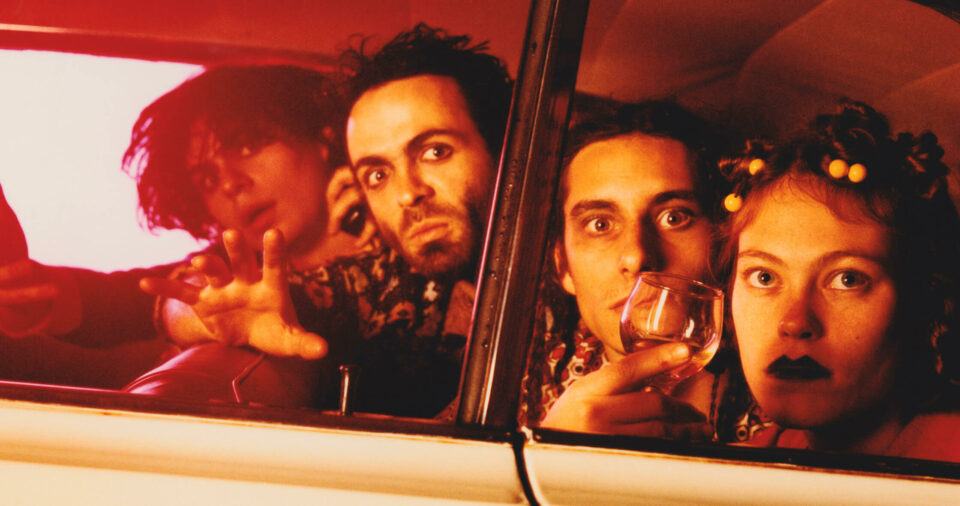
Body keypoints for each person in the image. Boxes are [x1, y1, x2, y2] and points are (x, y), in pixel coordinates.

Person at [146, 24, 514, 417]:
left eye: (435, 152)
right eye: (379, 174)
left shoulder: (543, 244)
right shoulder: (369, 281)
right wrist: (197, 313)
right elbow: (164, 297)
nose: (230, 183)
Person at [718, 100, 960, 461]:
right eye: (764, 277)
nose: (795, 322)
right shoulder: (746, 463)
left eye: (848, 279)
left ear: (922, 303)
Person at [522, 101, 743, 439]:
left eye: (674, 217)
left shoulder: (786, 399)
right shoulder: (517, 382)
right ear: (562, 266)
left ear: (723, 242)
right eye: (600, 224)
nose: (637, 256)